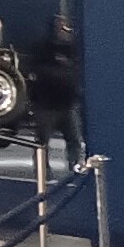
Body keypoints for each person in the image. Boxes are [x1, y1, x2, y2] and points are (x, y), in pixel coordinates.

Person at [26, 17, 85, 166]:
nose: (65, 30)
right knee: (42, 142)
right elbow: (37, 70)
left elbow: (77, 71)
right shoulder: (44, 49)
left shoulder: (72, 49)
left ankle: (75, 167)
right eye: (61, 27)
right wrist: (61, 74)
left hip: (67, 103)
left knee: (74, 140)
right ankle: (42, 170)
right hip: (47, 104)